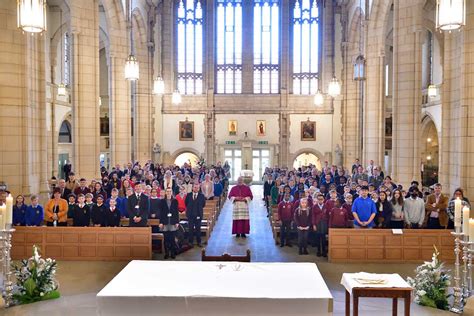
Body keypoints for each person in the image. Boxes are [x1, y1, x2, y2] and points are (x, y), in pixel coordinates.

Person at [159, 188, 180, 259]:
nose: (168, 193)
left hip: (173, 222)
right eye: (167, 191)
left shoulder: (175, 201)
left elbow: (176, 212)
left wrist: (177, 222)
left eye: (170, 191)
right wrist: (161, 222)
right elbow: (161, 213)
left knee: (172, 239)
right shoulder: (162, 201)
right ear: (165, 192)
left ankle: (173, 253)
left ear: (172, 192)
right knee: (166, 239)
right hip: (165, 222)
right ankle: (167, 253)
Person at [185, 183, 206, 247]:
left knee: (198, 229)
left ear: (199, 188)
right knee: (190, 229)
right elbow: (186, 203)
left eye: (197, 188)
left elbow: (203, 205)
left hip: (198, 215)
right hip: (190, 215)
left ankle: (199, 242)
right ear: (192, 188)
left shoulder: (201, 196)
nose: (196, 189)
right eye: (195, 187)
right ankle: (190, 242)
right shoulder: (188, 195)